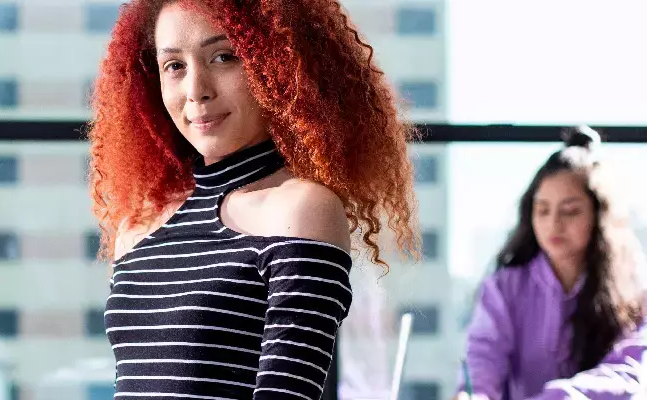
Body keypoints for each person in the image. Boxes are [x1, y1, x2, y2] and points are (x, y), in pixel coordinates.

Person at [87, 0, 420, 399]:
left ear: (276, 66)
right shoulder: (138, 228)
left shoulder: (301, 210)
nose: (196, 91)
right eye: (174, 66)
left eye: (224, 57)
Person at [458, 127, 646, 400]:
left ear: (599, 215)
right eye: (542, 210)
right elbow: (483, 360)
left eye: (570, 211)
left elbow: (627, 374)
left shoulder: (633, 290)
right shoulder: (504, 288)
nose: (553, 224)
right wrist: (473, 395)